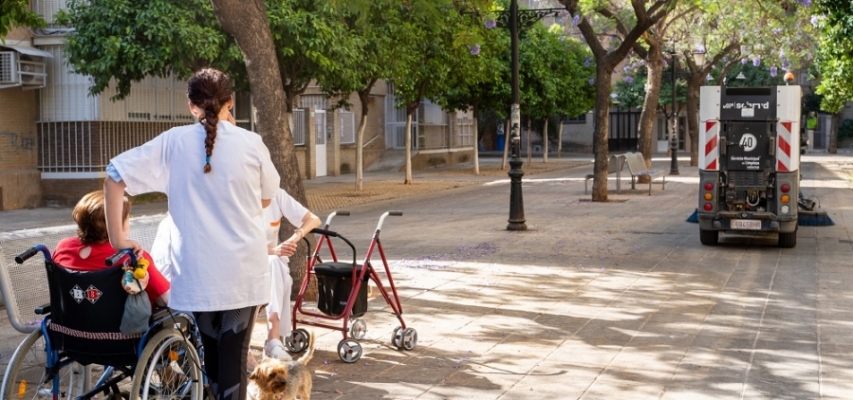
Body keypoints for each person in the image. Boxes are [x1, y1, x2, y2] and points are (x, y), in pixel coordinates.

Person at [103, 68, 280, 400]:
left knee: (212, 364)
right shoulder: (251, 144)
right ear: (230, 102)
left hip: (197, 274)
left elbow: (114, 175)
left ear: (191, 105)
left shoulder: (174, 141)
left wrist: (118, 241)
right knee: (231, 370)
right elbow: (267, 197)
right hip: (242, 274)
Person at [53, 190, 170, 308]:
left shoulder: (63, 248)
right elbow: (164, 300)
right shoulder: (133, 255)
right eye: (127, 220)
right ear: (118, 225)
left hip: (69, 324)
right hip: (121, 325)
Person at [261, 189, 321, 360]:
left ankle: (273, 338)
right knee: (275, 264)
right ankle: (274, 338)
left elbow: (313, 219)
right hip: (246, 261)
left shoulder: (276, 194)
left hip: (272, 263)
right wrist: (274, 250)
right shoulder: (241, 196)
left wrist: (295, 237)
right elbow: (241, 243)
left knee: (279, 270)